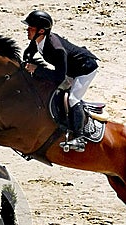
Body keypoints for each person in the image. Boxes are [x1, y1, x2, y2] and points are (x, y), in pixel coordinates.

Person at [22, 10, 99, 151]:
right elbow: (30, 51)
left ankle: (79, 138)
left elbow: (59, 77)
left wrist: (36, 69)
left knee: (73, 99)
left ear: (41, 31)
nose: (27, 29)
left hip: (85, 69)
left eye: (31, 28)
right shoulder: (38, 40)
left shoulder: (57, 49)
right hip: (71, 69)